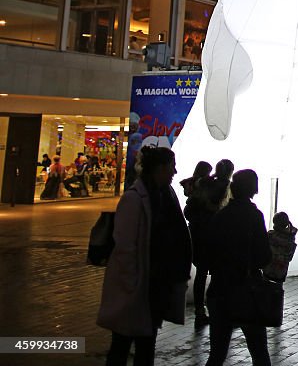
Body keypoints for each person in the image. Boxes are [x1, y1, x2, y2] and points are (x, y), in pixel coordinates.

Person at [97, 146, 192, 366]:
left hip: (155, 284)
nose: (175, 172)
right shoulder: (135, 198)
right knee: (123, 342)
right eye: (171, 167)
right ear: (160, 168)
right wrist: (132, 282)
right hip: (138, 284)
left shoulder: (165, 194)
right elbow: (125, 245)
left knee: (146, 343)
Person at [205, 169, 272, 366]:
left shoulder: (220, 216)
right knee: (259, 351)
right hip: (247, 289)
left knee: (217, 352)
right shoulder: (254, 216)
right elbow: (263, 256)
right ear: (253, 189)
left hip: (220, 288)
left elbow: (209, 253)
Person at [182, 161, 215, 329]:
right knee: (207, 274)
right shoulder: (203, 190)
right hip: (206, 237)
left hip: (195, 236)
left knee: (201, 275)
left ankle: (200, 310)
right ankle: (205, 309)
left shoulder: (191, 187)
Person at [265, 212, 298, 283]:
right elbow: (289, 257)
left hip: (268, 268)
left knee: (265, 286)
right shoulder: (290, 238)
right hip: (281, 270)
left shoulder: (270, 235)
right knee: (278, 287)